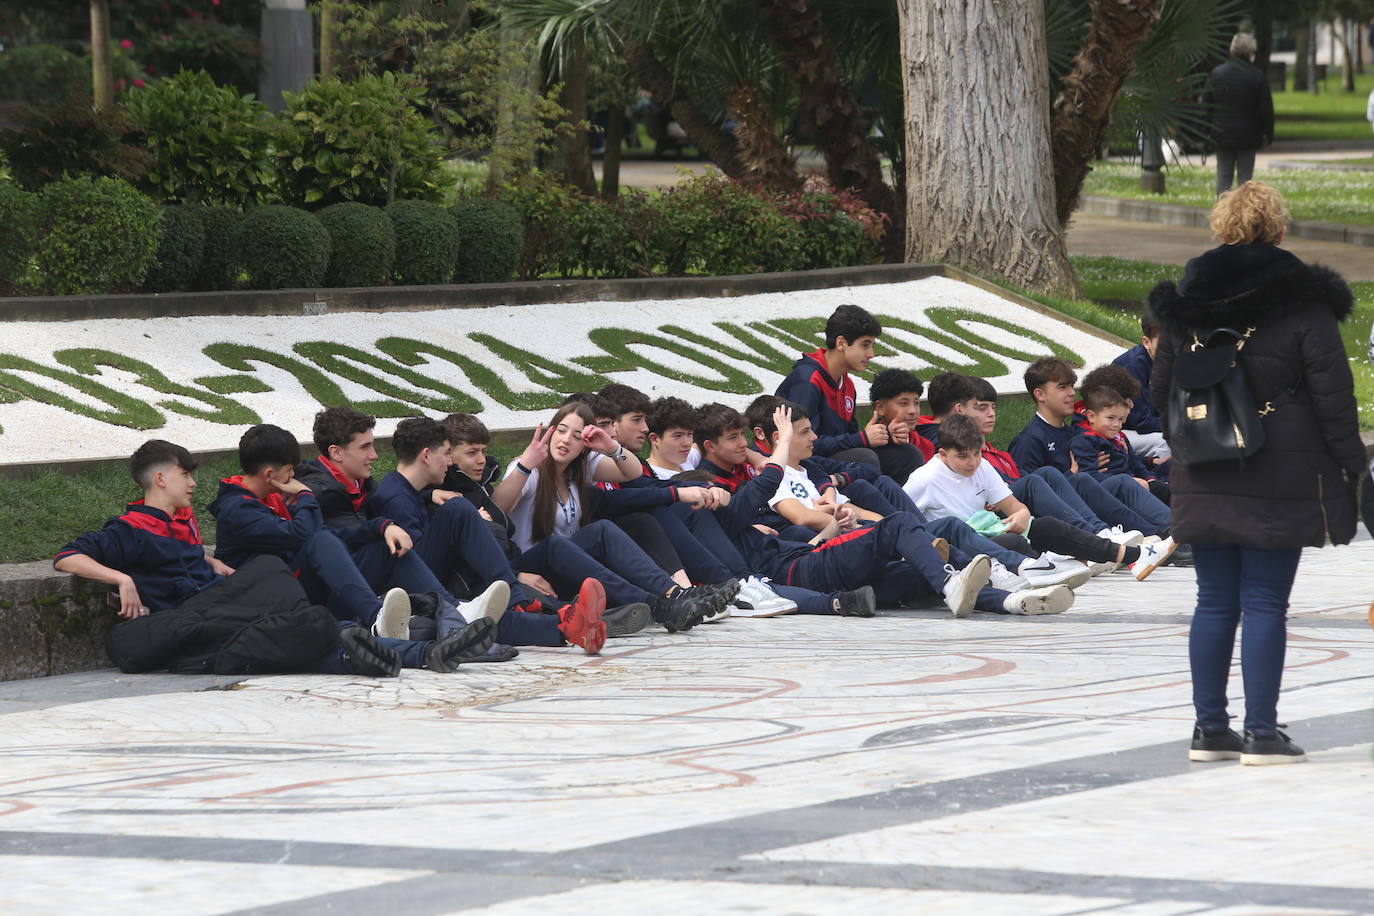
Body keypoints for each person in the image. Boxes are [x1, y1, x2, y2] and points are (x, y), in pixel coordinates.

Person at [1149, 180, 1364, 765]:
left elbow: (1162, 391)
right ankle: (1263, 734)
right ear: (1280, 231)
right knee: (1267, 602)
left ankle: (1209, 730)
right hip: (1282, 471)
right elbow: (1333, 399)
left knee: (1214, 601)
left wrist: (1193, 444)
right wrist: (1354, 468)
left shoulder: (1183, 306)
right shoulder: (1304, 303)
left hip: (1204, 463)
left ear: (1220, 230)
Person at [55, 439, 495, 677]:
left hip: (222, 608)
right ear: (161, 477)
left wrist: (206, 561)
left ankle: (429, 650)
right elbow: (67, 555)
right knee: (297, 604)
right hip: (197, 623)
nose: (191, 483)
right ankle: (421, 644)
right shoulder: (133, 528)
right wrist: (120, 579)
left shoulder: (179, 524)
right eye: (186, 475)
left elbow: (180, 556)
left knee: (322, 632)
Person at [370, 417, 609, 655]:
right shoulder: (396, 498)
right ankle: (551, 614)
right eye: (445, 453)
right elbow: (410, 565)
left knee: (486, 611)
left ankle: (566, 623)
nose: (449, 461)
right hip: (411, 592)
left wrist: (428, 496)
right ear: (425, 456)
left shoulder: (405, 491)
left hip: (437, 582)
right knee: (460, 512)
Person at [489, 402, 720, 633]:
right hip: (530, 569)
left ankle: (674, 593)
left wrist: (611, 447)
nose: (566, 439)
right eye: (561, 430)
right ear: (551, 431)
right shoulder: (529, 469)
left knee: (609, 528)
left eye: (577, 436)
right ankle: (659, 606)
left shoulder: (580, 469)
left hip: (563, 567)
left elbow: (632, 473)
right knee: (561, 543)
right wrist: (525, 466)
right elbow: (496, 511)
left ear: (584, 446)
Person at [906, 416, 1175, 583]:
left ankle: (1135, 555)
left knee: (1044, 525)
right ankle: (1053, 563)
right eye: (962, 457)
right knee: (1012, 541)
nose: (972, 462)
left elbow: (1014, 506)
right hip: (963, 545)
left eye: (976, 454)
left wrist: (1022, 515)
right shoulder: (924, 479)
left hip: (990, 531)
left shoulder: (982, 466)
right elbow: (905, 525)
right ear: (942, 454)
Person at [773, 304, 923, 482]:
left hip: (833, 455)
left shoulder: (847, 384)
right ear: (841, 343)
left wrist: (883, 435)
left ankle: (901, 507)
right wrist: (862, 438)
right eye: (865, 345)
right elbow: (804, 442)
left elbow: (849, 438)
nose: (871, 354)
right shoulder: (807, 380)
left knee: (907, 455)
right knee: (865, 458)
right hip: (801, 461)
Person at [1204, 32, 1273, 196]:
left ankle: (1222, 217)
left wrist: (1206, 132)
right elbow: (1266, 110)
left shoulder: (1217, 74)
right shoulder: (1257, 76)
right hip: (1248, 136)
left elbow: (1207, 106)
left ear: (1232, 50)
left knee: (1223, 179)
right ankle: (1243, 218)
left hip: (1221, 135)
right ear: (1251, 52)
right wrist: (1267, 135)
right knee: (1245, 181)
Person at [1112, 310, 1171, 465]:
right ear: (1146, 342)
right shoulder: (1133, 367)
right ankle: (1159, 480)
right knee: (1167, 440)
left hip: (1141, 428)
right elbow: (1143, 423)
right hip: (1115, 432)